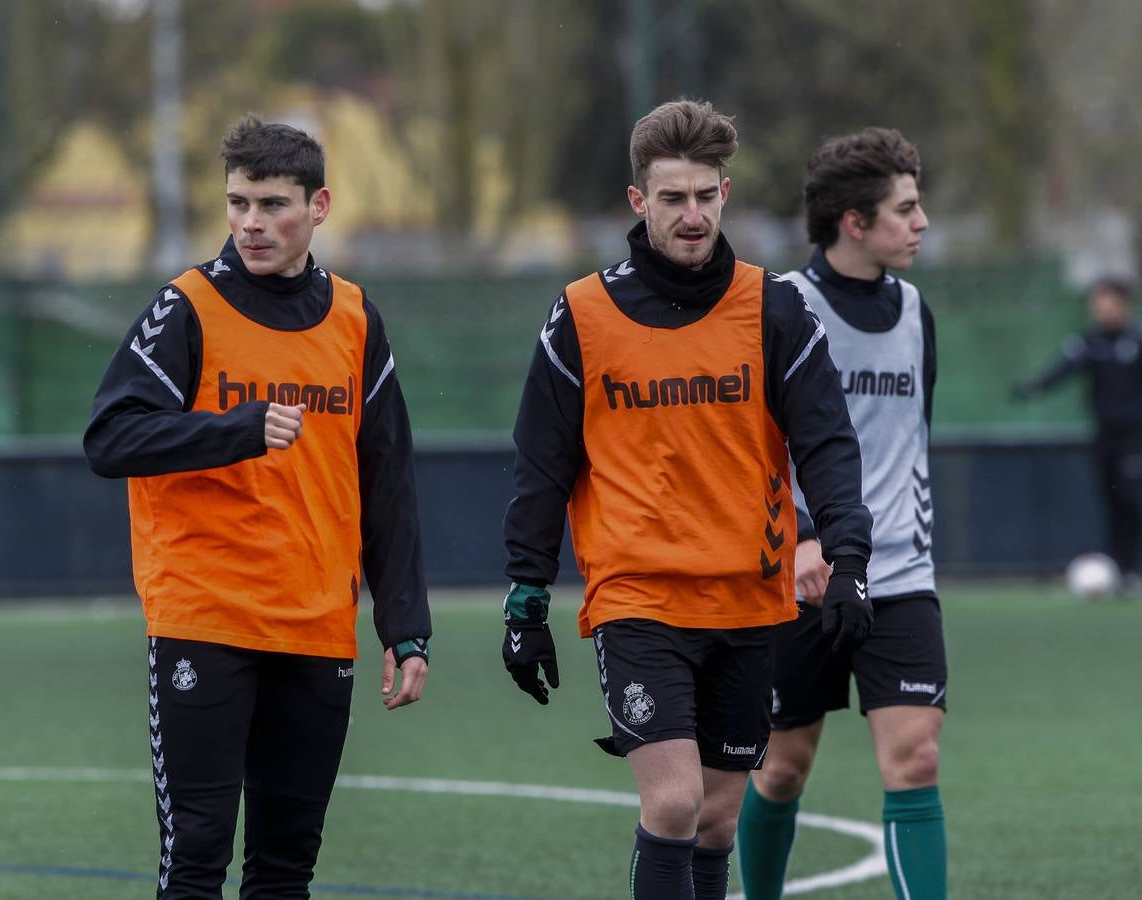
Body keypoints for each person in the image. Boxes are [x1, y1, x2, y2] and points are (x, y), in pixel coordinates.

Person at [499, 99, 874, 900]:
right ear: (640, 202)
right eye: (673, 198)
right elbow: (541, 466)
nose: (692, 214)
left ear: (725, 193)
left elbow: (827, 445)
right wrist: (526, 598)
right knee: (672, 802)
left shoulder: (773, 308)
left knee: (716, 822)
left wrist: (849, 559)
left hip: (747, 602)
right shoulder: (583, 315)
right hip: (637, 599)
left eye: (705, 195)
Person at [83, 116, 431, 898]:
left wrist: (406, 626)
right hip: (205, 616)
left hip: (315, 624)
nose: (250, 223)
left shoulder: (355, 318)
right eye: (238, 203)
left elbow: (388, 480)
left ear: (320, 207)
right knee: (198, 854)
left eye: (272, 204)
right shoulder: (187, 307)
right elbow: (110, 438)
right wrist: (237, 429)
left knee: (286, 865)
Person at [736, 127, 947, 900]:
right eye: (905, 209)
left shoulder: (918, 311)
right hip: (802, 574)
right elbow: (752, 446)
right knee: (783, 768)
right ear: (854, 222)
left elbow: (913, 439)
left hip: (897, 572)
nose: (921, 223)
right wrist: (797, 540)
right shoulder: (782, 307)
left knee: (916, 758)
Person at [1012, 277, 1142, 589]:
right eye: (1096, 304)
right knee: (1111, 498)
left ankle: (1137, 566)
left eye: (1105, 303)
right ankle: (1116, 567)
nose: (1099, 310)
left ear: (1122, 304)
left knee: (1131, 497)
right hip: (1104, 436)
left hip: (1135, 436)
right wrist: (1033, 387)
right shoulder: (1090, 342)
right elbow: (1062, 370)